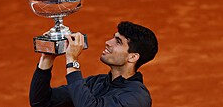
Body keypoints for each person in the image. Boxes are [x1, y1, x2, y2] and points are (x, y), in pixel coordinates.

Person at [29, 21, 158, 107]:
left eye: (118, 41)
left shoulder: (137, 97)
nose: (108, 42)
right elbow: (41, 102)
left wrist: (72, 61)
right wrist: (47, 58)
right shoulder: (96, 83)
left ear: (133, 57)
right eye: (113, 37)